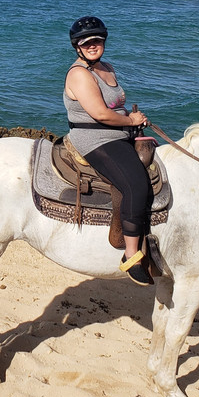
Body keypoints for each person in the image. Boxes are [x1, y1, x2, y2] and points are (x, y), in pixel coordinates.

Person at [63, 16, 153, 286]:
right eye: (86, 42)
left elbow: (115, 106)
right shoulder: (79, 74)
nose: (93, 45)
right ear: (77, 46)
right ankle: (131, 254)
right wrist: (130, 121)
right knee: (136, 184)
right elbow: (101, 114)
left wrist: (134, 120)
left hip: (118, 132)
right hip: (95, 138)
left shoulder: (106, 67)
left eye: (97, 40)